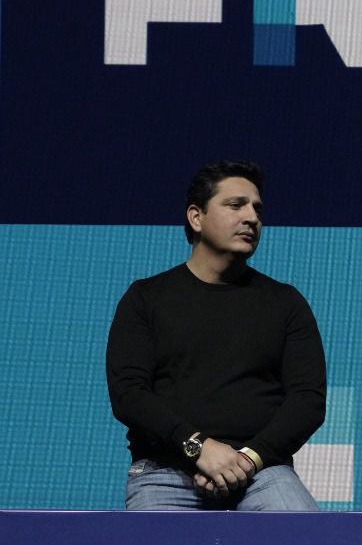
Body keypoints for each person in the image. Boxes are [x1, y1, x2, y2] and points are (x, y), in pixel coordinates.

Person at [106, 160, 326, 510]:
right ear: (196, 217)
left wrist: (247, 460)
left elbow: (307, 402)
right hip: (164, 472)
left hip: (263, 472)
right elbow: (129, 394)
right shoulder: (146, 298)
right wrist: (199, 448)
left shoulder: (286, 302)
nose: (252, 217)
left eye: (257, 208)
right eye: (235, 205)